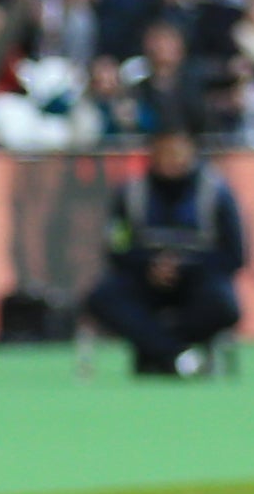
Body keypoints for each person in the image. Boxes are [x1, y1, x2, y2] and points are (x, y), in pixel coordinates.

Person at [84, 121, 245, 377]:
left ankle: (155, 354)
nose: (172, 158)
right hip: (144, 278)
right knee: (103, 298)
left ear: (192, 152)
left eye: (178, 151)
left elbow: (235, 254)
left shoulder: (216, 193)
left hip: (198, 279)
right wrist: (150, 266)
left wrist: (185, 268)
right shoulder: (131, 193)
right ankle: (178, 356)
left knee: (224, 306)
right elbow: (116, 247)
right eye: (164, 151)